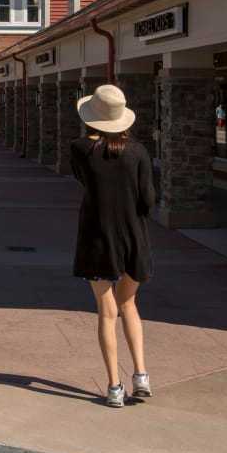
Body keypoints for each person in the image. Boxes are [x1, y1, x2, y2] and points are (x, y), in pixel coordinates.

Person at [70, 84, 156, 408]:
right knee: (129, 306)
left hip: (97, 238)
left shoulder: (82, 150)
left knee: (106, 313)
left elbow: (83, 155)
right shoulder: (139, 153)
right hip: (134, 236)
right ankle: (141, 375)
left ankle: (114, 386)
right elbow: (149, 200)